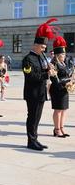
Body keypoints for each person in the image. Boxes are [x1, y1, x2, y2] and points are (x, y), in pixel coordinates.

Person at [22, 18, 58, 151]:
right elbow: (31, 77)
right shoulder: (28, 59)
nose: (44, 49)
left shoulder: (40, 58)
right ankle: (31, 141)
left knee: (37, 118)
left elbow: (42, 73)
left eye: (44, 47)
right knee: (32, 117)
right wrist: (47, 74)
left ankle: (35, 139)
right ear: (35, 45)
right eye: (42, 47)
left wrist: (49, 70)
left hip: (41, 93)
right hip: (32, 93)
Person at [50, 36, 71, 138]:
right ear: (58, 55)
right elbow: (55, 80)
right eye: (63, 54)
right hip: (57, 89)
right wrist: (67, 81)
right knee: (58, 110)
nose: (64, 55)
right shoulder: (53, 64)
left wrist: (71, 80)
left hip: (64, 89)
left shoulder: (63, 63)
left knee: (64, 110)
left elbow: (66, 75)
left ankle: (62, 128)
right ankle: (56, 129)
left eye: (64, 53)